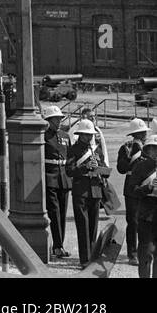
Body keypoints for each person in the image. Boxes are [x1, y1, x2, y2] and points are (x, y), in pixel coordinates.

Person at [66, 119, 110, 269]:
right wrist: (85, 167)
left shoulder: (96, 150)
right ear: (81, 134)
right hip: (81, 191)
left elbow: (106, 173)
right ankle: (84, 259)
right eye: (86, 135)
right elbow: (69, 170)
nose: (89, 137)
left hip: (95, 191)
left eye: (90, 134)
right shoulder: (73, 149)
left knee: (93, 226)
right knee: (82, 226)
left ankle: (92, 256)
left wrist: (98, 167)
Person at [117, 118, 150, 266]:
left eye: (144, 132)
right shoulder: (126, 147)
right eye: (141, 132)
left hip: (148, 187)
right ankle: (133, 253)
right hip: (131, 187)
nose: (144, 135)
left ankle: (147, 250)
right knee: (133, 221)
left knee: (148, 220)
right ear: (135, 134)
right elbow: (121, 168)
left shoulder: (150, 147)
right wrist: (132, 154)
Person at [42, 105, 71, 259]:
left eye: (60, 119)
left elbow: (70, 157)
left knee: (63, 213)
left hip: (64, 178)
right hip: (50, 176)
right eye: (55, 119)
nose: (59, 122)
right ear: (49, 120)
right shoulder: (44, 136)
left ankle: (59, 245)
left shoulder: (65, 136)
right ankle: (58, 245)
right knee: (54, 212)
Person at [127, 134, 157, 279]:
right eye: (154, 149)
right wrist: (148, 188)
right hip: (147, 214)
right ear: (149, 150)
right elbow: (132, 190)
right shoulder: (141, 167)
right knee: (146, 253)